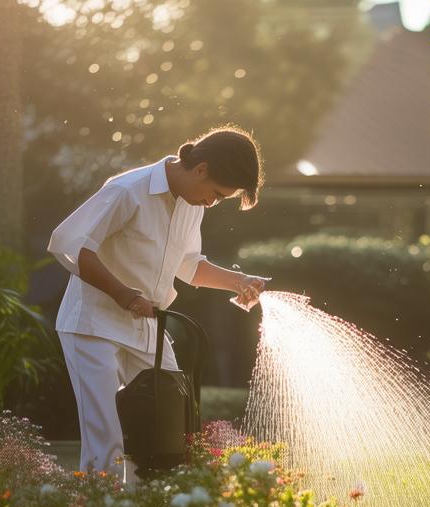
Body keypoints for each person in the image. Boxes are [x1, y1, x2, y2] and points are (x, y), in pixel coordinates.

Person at [48, 126, 268, 479]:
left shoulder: (192, 204)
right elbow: (73, 246)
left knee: (165, 427)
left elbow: (190, 266)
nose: (212, 203)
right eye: (216, 194)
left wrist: (238, 281)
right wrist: (124, 294)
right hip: (92, 323)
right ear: (201, 169)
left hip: (148, 327)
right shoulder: (127, 191)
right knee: (107, 435)